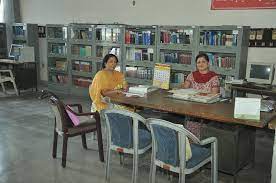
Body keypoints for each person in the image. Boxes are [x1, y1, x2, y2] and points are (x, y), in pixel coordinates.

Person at [181, 53, 220, 139]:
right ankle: (190, 140)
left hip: (207, 107)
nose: (201, 64)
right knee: (190, 121)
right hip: (192, 106)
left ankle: (201, 140)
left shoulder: (214, 77)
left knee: (202, 128)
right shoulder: (191, 75)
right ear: (196, 64)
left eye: (203, 62)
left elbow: (214, 94)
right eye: (198, 62)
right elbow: (184, 89)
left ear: (208, 63)